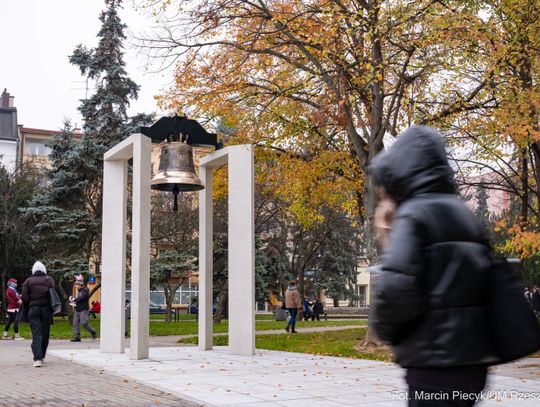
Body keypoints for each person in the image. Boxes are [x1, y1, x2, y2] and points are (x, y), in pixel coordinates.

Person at [370, 126, 496, 406]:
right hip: (473, 364)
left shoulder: (415, 215)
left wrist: (389, 333)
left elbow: (395, 290)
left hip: (433, 364)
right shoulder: (463, 214)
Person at [21, 261, 54, 367]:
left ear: (33, 270)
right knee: (45, 333)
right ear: (44, 270)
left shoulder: (28, 281)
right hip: (46, 310)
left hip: (33, 310)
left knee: (36, 334)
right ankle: (42, 355)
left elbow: (25, 298)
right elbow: (53, 295)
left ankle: (37, 359)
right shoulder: (49, 280)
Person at [70, 277, 97, 342]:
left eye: (77, 285)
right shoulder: (78, 291)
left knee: (84, 323)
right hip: (77, 309)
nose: (76, 286)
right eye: (75, 284)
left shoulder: (85, 290)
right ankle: (77, 337)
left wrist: (74, 300)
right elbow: (77, 299)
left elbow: (82, 298)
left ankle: (93, 332)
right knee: (75, 323)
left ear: (80, 285)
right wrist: (72, 301)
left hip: (83, 310)